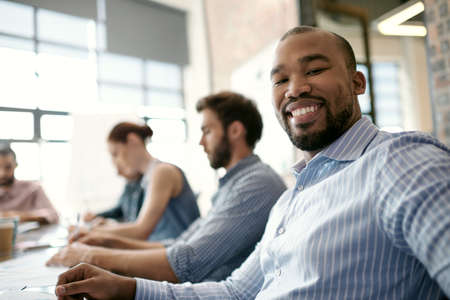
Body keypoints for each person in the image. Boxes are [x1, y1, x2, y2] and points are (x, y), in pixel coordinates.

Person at [54, 26, 450, 299]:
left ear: (358, 83)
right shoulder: (293, 196)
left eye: (314, 70)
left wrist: (93, 251)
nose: (296, 88)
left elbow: (188, 260)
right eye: (281, 80)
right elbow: (236, 292)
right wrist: (125, 288)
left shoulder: (400, 161)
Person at [47, 91, 287, 284]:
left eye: (207, 130)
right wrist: (108, 243)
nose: (201, 141)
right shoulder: (231, 185)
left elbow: (187, 263)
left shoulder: (255, 184)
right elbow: (179, 244)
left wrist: (92, 254)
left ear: (235, 130)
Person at [77, 122, 200, 242]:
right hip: (163, 250)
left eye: (116, 153)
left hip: (177, 255)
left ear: (132, 140)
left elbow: (141, 230)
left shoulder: (163, 172)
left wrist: (90, 230)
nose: (116, 162)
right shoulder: (146, 179)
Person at [0, 146, 58, 224]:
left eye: (8, 167)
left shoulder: (33, 189)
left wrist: (17, 216)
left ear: (15, 165)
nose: (2, 173)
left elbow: (52, 215)